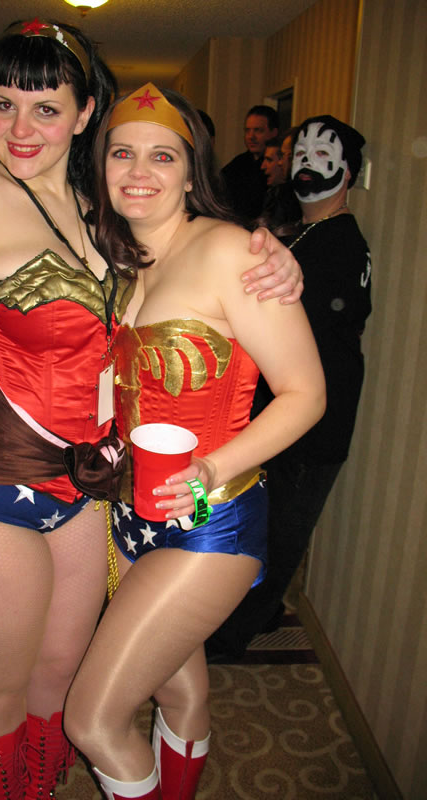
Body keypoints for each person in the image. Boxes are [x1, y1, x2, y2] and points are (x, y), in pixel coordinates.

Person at [0, 24, 303, 800]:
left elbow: (186, 260)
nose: (21, 128)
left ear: (83, 114)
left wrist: (276, 254)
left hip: (84, 485)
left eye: (46, 107)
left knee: (61, 675)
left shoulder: (104, 208)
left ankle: (39, 784)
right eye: (3, 104)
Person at [60, 85, 325, 800]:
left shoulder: (232, 251)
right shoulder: (115, 258)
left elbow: (306, 393)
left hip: (212, 520)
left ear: (190, 171)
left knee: (92, 719)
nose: (138, 171)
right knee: (177, 692)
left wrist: (211, 467)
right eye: (122, 153)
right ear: (100, 166)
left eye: (162, 155)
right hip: (128, 515)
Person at [206, 115, 372, 663]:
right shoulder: (305, 232)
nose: (306, 164)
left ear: (349, 172)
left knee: (278, 535)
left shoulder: (337, 242)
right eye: (300, 152)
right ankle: (260, 610)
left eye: (323, 155)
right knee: (269, 521)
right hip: (293, 416)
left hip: (313, 424)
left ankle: (231, 636)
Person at [219, 104, 278, 223]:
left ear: (273, 132)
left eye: (258, 130)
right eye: (247, 130)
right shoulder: (236, 165)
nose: (251, 136)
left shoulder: (278, 168)